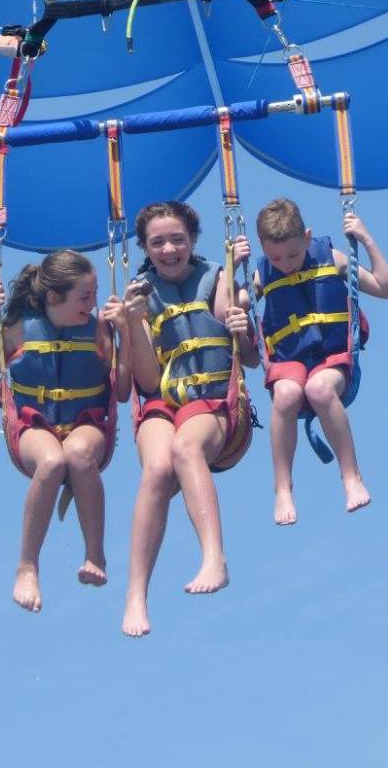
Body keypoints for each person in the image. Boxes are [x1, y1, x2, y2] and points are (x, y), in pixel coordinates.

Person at [121, 200, 259, 638]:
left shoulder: (219, 278)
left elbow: (251, 359)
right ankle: (136, 596)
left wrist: (241, 324)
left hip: (216, 402)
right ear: (144, 247)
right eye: (157, 242)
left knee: (185, 447)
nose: (168, 249)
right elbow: (144, 380)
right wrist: (132, 325)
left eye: (177, 239)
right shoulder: (139, 294)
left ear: (193, 241)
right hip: (165, 401)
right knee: (158, 468)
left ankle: (215, 557)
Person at [0, 250, 131, 613]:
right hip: (33, 422)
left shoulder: (99, 329)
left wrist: (126, 336)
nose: (93, 304)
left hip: (87, 422)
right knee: (51, 461)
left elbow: (121, 392)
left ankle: (96, 556)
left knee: (76, 454)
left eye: (94, 294)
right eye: (85, 297)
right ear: (54, 298)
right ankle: (27, 566)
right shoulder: (17, 328)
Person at [253, 197, 388, 525]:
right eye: (275, 257)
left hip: (331, 360)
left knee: (318, 389)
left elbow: (387, 288)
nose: (286, 264)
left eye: (293, 254)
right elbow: (226, 309)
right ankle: (283, 489)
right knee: (287, 394)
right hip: (290, 363)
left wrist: (366, 239)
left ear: (307, 237)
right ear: (263, 248)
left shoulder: (330, 258)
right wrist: (235, 264)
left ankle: (351, 477)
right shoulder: (262, 273)